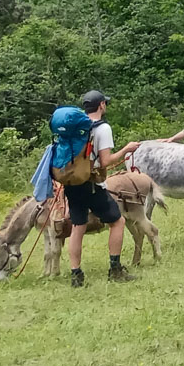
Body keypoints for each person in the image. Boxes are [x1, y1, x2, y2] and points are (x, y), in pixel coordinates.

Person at [67, 90, 141, 287]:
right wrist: (126, 149)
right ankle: (115, 270)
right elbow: (105, 161)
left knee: (78, 226)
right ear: (101, 105)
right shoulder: (102, 128)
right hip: (91, 184)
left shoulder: (74, 126)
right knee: (117, 222)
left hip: (71, 182)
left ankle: (76, 276)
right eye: (104, 103)